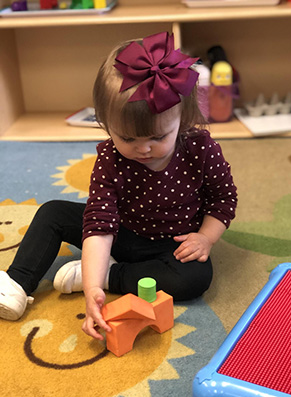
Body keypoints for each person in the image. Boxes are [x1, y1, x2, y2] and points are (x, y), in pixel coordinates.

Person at [0, 32, 237, 340]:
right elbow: (99, 226)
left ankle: (113, 274)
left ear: (183, 119)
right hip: (121, 232)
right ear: (105, 123)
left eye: (158, 137)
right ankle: (17, 281)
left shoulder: (200, 149)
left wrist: (205, 237)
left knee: (195, 277)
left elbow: (223, 199)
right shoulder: (110, 159)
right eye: (127, 138)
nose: (144, 149)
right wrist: (92, 294)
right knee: (52, 213)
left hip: (171, 244)